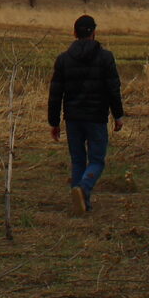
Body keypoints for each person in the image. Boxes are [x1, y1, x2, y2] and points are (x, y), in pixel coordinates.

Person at [48, 14, 124, 215]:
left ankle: (81, 203)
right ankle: (83, 188)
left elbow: (55, 94)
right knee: (97, 160)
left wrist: (53, 122)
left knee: (78, 160)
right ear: (94, 33)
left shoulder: (63, 59)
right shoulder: (106, 57)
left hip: (72, 119)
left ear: (74, 33)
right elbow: (113, 89)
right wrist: (118, 115)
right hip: (97, 118)